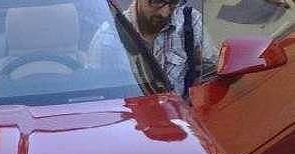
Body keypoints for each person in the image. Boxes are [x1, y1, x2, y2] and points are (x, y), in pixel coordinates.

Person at [90, 0, 218, 97]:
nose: (165, 12)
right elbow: (96, 94)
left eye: (173, 2)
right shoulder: (109, 37)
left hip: (179, 122)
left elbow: (212, 74)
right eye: (157, 1)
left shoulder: (190, 22)